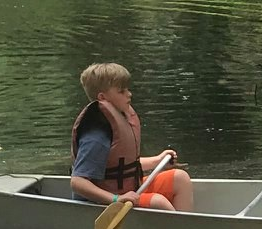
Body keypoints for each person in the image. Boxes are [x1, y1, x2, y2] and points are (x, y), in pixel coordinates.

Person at [69, 61, 195, 212]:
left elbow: (121, 166)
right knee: (159, 202)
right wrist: (115, 199)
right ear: (103, 98)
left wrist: (157, 161)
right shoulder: (97, 135)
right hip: (103, 200)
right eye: (121, 91)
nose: (129, 94)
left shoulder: (122, 118)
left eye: (127, 89)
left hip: (128, 190)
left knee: (180, 178)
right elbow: (78, 182)